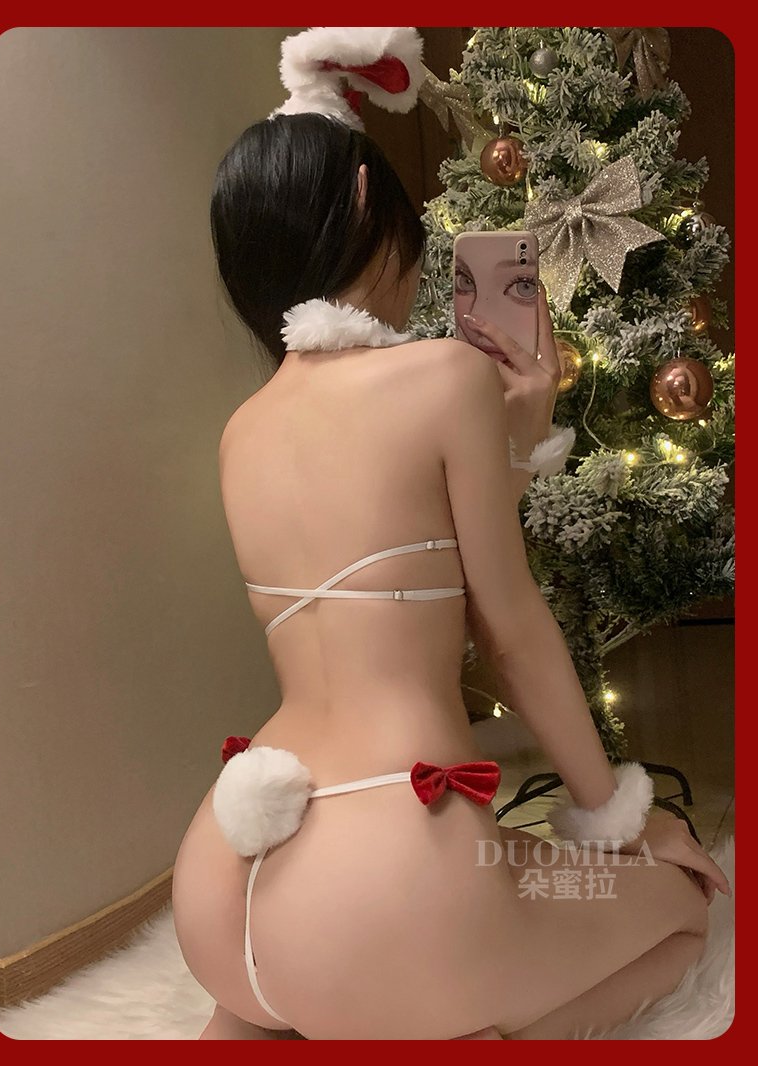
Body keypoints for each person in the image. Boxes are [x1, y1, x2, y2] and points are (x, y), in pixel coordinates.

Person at [171, 27, 729, 1041]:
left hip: (226, 882)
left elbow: (392, 564)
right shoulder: (444, 374)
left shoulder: (240, 431)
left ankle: (287, 1016)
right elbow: (505, 629)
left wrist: (512, 441)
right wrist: (625, 819)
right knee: (683, 913)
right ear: (362, 203)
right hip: (390, 875)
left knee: (502, 878)